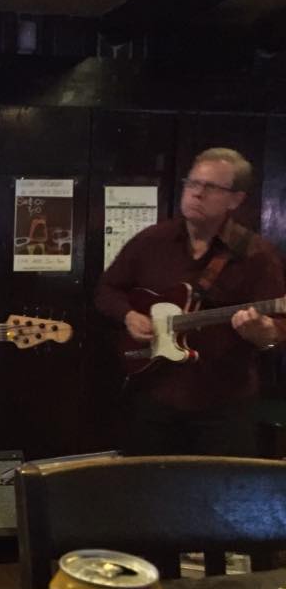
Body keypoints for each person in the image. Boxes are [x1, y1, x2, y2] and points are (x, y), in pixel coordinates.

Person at [95, 147, 286, 457]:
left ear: (235, 199)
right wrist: (128, 315)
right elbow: (107, 290)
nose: (197, 193)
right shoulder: (152, 241)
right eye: (193, 183)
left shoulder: (257, 256)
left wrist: (265, 334)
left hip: (223, 403)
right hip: (153, 394)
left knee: (218, 487)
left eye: (211, 187)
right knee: (145, 482)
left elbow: (278, 330)